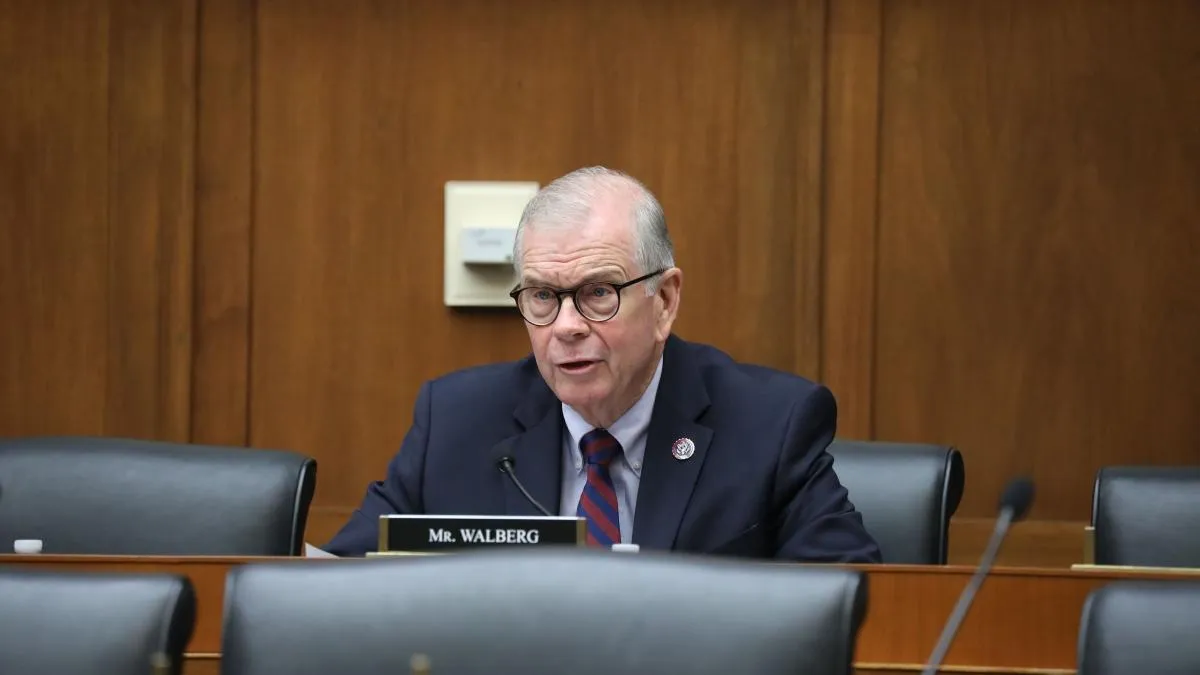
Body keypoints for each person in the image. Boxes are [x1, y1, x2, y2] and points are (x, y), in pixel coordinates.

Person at [324, 166, 880, 562]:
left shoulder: (771, 425)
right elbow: (339, 588)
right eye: (542, 295)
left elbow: (843, 602)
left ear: (664, 302)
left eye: (597, 293)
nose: (566, 326)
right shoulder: (455, 423)